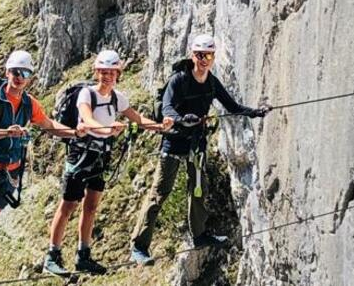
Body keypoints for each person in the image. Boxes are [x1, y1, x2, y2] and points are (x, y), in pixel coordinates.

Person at [129, 34, 271, 266]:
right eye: (199, 55)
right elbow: (167, 109)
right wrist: (182, 119)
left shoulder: (212, 82)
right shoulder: (179, 80)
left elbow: (232, 106)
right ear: (192, 55)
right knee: (159, 193)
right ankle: (139, 246)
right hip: (174, 143)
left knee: (198, 189)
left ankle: (199, 235)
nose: (204, 60)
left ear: (213, 57)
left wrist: (255, 112)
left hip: (196, 144)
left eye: (209, 55)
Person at [43, 50, 173, 277]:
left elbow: (136, 118)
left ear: (118, 74)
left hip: (101, 157)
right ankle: (52, 256)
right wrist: (108, 129)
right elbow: (88, 119)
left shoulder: (117, 97)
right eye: (103, 72)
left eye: (111, 72)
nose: (107, 76)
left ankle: (83, 255)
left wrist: (160, 126)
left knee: (91, 206)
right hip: (81, 155)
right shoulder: (87, 94)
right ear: (97, 73)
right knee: (68, 205)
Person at [0, 50, 81, 286]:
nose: (19, 77)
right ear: (7, 72)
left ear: (30, 76)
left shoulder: (28, 103)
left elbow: (47, 125)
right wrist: (7, 131)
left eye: (25, 73)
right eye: (16, 71)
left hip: (9, 170)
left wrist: (75, 133)